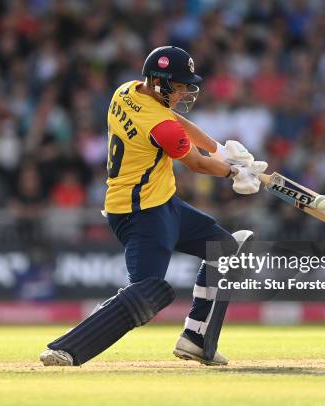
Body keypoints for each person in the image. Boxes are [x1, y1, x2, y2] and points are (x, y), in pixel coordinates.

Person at [40, 46, 267, 366]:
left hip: (161, 203)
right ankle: (67, 348)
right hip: (141, 215)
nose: (186, 91)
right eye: (180, 85)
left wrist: (221, 150)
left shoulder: (126, 92)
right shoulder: (161, 126)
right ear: (160, 83)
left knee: (223, 249)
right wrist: (232, 171)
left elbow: (178, 123)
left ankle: (196, 340)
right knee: (149, 292)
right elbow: (197, 165)